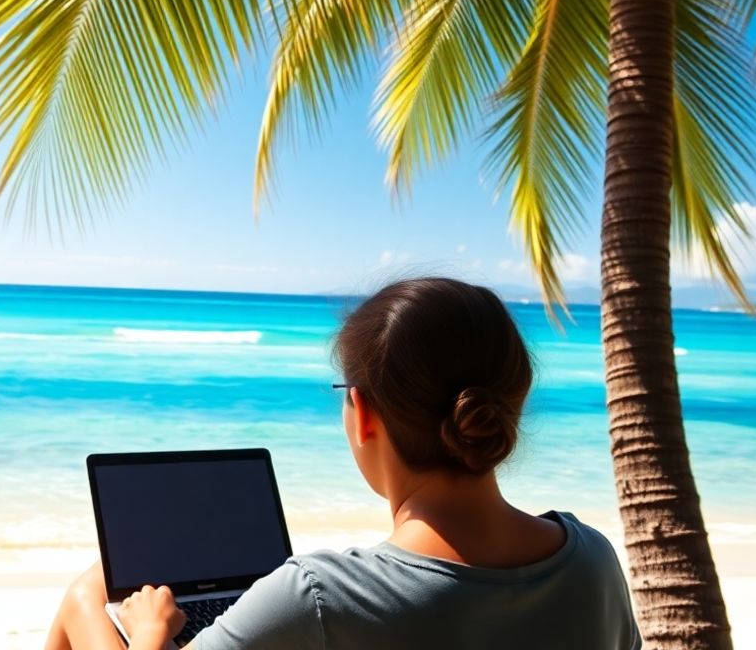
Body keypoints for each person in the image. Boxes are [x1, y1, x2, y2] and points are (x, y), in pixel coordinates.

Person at [44, 277, 641, 650]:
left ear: (362, 412)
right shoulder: (591, 560)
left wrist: (150, 633)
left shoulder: (317, 596)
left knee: (86, 593)